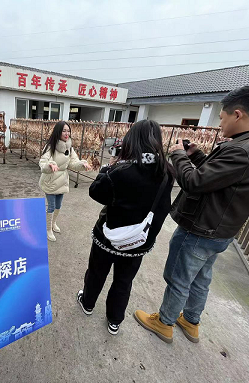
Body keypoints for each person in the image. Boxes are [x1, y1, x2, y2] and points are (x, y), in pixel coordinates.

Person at [134, 86, 249, 343]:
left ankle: (164, 322)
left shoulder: (243, 149)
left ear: (237, 114)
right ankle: (191, 321)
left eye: (221, 118)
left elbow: (195, 183)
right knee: (201, 277)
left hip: (201, 228)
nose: (220, 123)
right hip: (221, 230)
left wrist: (178, 155)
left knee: (178, 277)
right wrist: (196, 155)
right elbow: (220, 179)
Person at [77, 120, 174, 335]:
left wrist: (108, 168)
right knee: (123, 281)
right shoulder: (166, 173)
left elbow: (96, 192)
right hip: (137, 242)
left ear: (132, 141)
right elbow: (163, 209)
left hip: (109, 237)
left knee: (96, 272)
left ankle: (88, 303)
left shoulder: (122, 170)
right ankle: (114, 320)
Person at [39, 121, 91, 241]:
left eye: (68, 131)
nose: (66, 133)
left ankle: (53, 223)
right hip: (50, 180)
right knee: (51, 206)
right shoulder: (50, 146)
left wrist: (82, 164)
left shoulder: (69, 147)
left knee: (58, 205)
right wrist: (49, 166)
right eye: (64, 131)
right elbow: (42, 163)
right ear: (58, 131)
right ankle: (48, 229)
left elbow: (73, 163)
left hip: (62, 180)